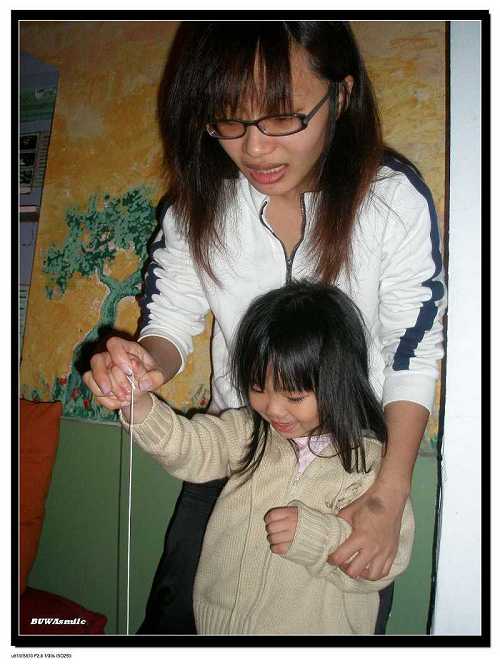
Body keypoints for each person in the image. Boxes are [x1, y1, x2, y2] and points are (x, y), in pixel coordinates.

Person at [83, 21, 445, 634]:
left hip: (352, 472)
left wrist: (386, 497)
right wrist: (142, 363)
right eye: (228, 119)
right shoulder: (199, 205)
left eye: (282, 118)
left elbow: (412, 354)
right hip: (235, 453)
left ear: (341, 95)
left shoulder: (389, 199)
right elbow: (169, 321)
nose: (253, 149)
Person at [91, 281, 415, 634]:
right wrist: (138, 406)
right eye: (258, 388)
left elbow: (380, 565)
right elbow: (190, 446)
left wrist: (313, 537)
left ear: (338, 383)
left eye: (294, 396)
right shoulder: (247, 431)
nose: (272, 408)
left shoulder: (370, 466)